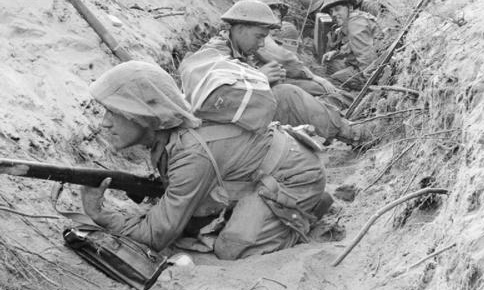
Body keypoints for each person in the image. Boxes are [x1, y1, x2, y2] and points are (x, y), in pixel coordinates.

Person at [80, 61, 327, 260]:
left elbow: (153, 237)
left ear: (146, 114)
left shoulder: (192, 154)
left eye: (115, 112)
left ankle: (300, 213)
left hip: (297, 175)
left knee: (232, 248)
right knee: (191, 223)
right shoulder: (172, 136)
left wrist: (100, 214)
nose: (105, 122)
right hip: (270, 163)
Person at [179, 0, 373, 146]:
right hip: (216, 136)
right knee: (287, 95)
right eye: (259, 36)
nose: (262, 43)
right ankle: (354, 134)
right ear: (240, 28)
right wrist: (259, 77)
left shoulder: (235, 47)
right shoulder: (214, 51)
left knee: (290, 92)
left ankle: (337, 125)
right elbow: (202, 84)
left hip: (235, 125)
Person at [321, 0, 379, 91]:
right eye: (331, 11)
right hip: (375, 63)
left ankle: (350, 99)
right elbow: (355, 44)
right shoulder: (355, 19)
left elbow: (367, 58)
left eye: (337, 9)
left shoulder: (355, 23)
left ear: (350, 7)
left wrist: (371, 83)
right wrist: (336, 53)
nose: (334, 14)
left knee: (334, 80)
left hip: (375, 69)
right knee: (332, 65)